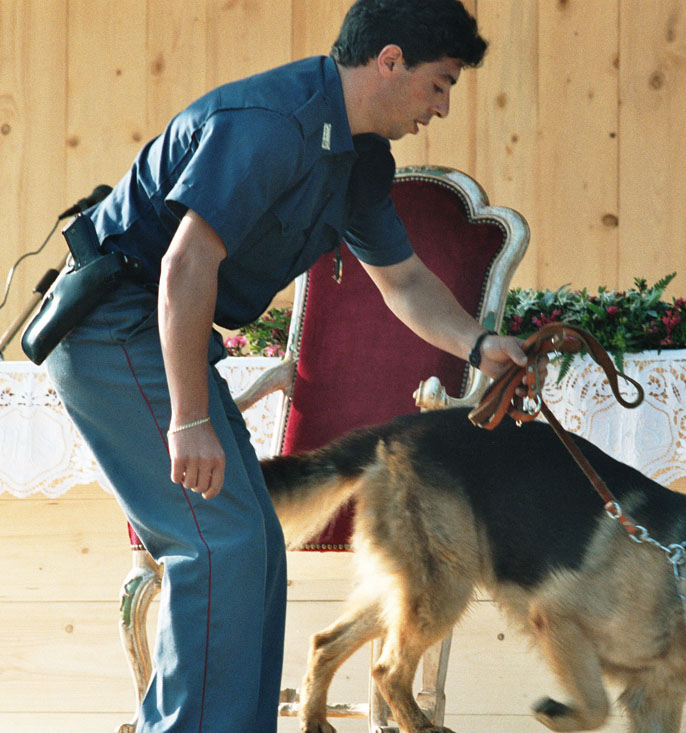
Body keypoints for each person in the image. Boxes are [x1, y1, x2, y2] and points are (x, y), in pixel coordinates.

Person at [46, 1, 532, 730]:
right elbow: (186, 265)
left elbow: (402, 280)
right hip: (112, 328)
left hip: (156, 332)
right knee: (218, 542)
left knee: (255, 541)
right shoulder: (272, 122)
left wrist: (476, 343)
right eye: (439, 83)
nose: (442, 106)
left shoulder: (362, 158)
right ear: (390, 60)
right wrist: (190, 418)